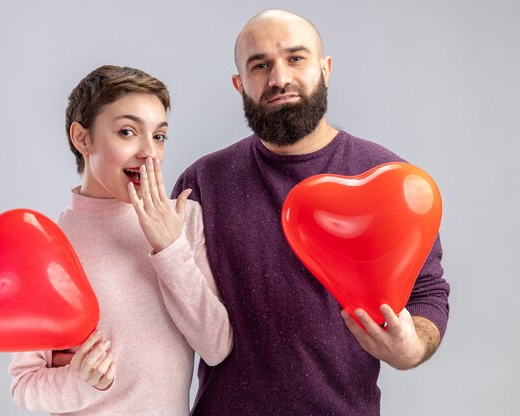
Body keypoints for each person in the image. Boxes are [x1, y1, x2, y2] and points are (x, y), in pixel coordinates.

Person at [171, 9, 450, 416]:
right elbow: (167, 301)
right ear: (239, 84)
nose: (279, 78)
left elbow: (428, 294)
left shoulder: (391, 181)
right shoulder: (202, 185)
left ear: (326, 68)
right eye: (260, 65)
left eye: (295, 58)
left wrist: (410, 348)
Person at [9, 65, 233, 415]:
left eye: (159, 136)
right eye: (128, 132)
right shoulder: (48, 247)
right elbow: (25, 384)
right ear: (82, 139)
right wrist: (79, 383)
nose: (150, 152)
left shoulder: (184, 220)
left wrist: (170, 249)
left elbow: (216, 346)